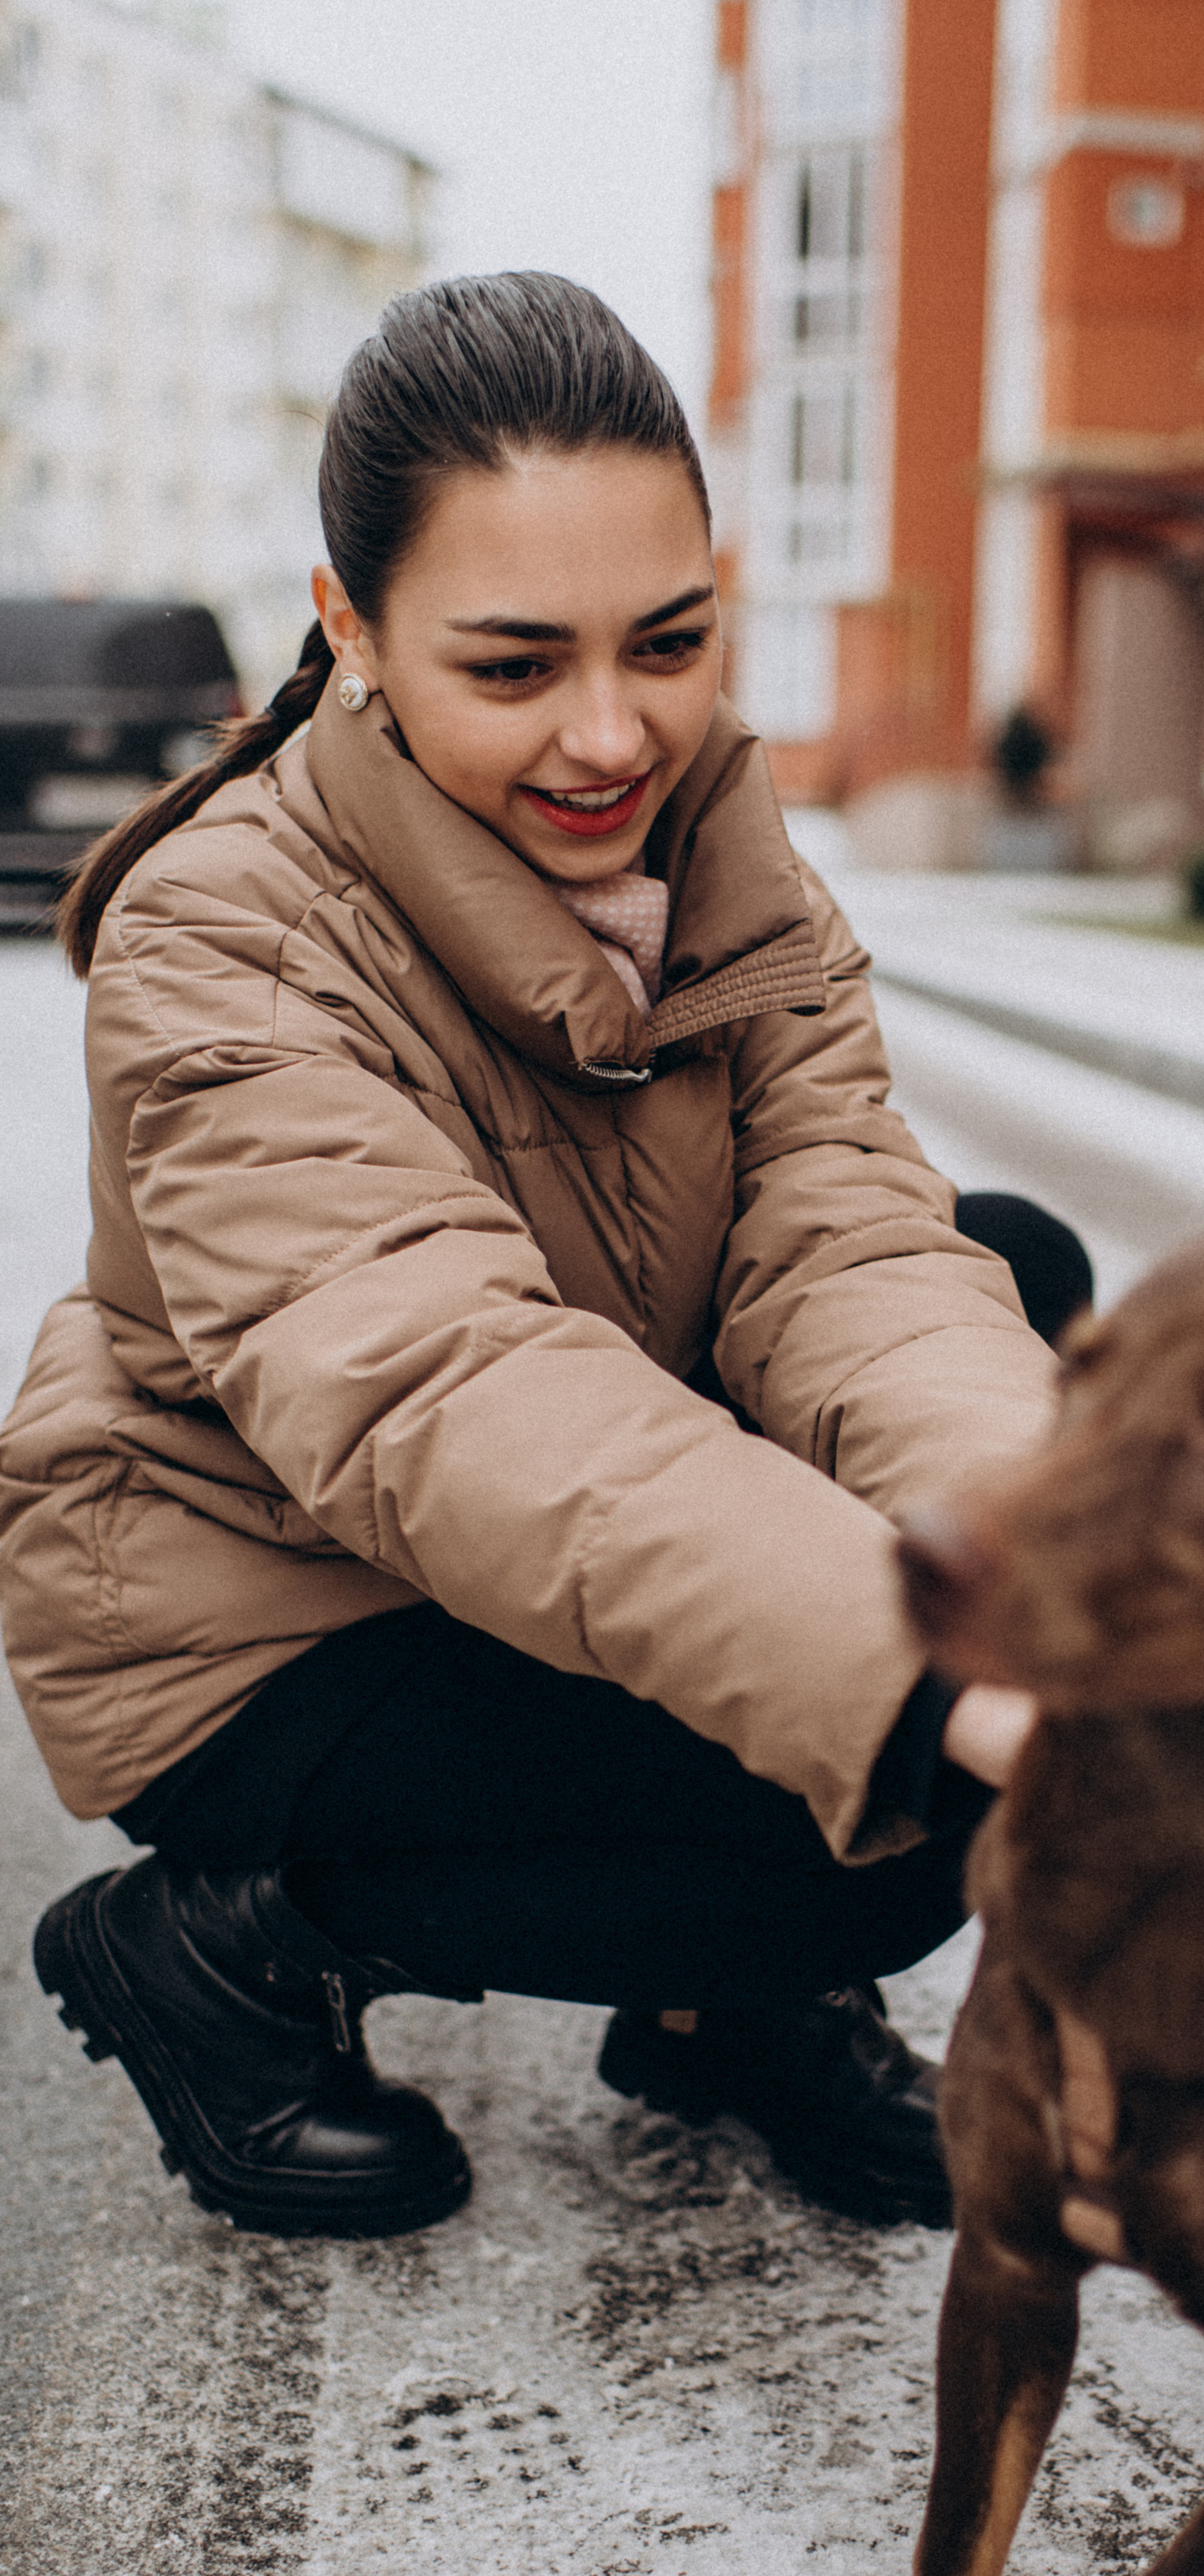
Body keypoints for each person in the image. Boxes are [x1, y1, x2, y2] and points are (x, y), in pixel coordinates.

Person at [0, 271, 1093, 2246]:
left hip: (533, 1498)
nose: (614, 735)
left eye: (670, 642)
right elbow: (452, 1398)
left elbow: (846, 1245)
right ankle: (233, 1943)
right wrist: (941, 1689)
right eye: (516, 669)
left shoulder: (728, 859)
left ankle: (720, 2009)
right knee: (897, 1812)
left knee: (1013, 1265)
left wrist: (1054, 1595)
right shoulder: (225, 941)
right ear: (351, 631)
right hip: (270, 1603)